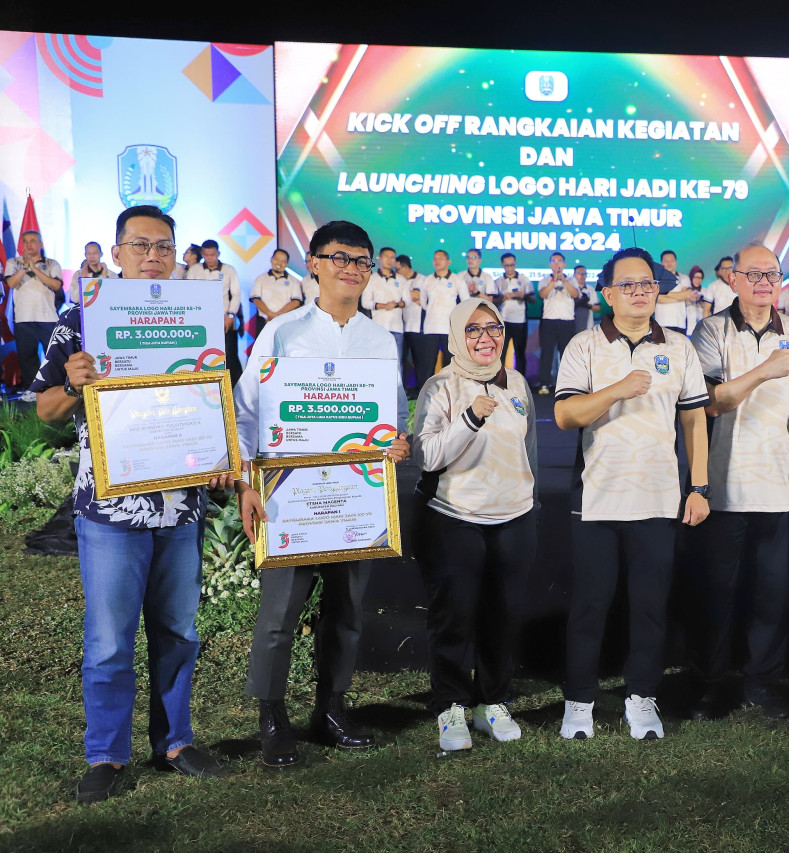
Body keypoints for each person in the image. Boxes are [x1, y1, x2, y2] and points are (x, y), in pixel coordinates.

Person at [33, 205, 228, 803]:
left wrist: (223, 460)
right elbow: (43, 411)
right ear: (115, 253)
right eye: (140, 245)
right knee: (111, 640)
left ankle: (174, 741)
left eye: (164, 247)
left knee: (178, 630)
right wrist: (73, 383)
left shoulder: (196, 315)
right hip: (112, 510)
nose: (152, 256)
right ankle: (107, 755)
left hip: (180, 505)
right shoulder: (82, 317)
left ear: (177, 254)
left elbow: (215, 398)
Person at [234, 220, 411, 768]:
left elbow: (395, 413)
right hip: (292, 495)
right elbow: (245, 411)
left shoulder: (379, 339)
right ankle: (272, 716)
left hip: (357, 497)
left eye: (361, 261)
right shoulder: (283, 333)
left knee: (348, 610)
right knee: (280, 612)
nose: (352, 269)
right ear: (313, 264)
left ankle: (331, 709)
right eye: (340, 258)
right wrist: (245, 482)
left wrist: (397, 443)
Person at [554, 247, 711, 741]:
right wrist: (617, 389)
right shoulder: (584, 345)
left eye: (647, 283)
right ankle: (579, 702)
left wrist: (699, 486)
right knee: (589, 605)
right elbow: (565, 416)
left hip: (660, 498)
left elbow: (693, 418)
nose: (640, 292)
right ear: (607, 294)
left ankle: (642, 697)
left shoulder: (681, 347)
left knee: (649, 605)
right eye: (628, 284)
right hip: (597, 497)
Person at [688, 241, 789, 720]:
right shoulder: (711, 330)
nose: (764, 283)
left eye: (773, 274)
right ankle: (711, 684)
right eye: (754, 274)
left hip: (778, 483)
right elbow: (707, 403)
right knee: (719, 593)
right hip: (723, 486)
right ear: (733, 278)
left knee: (771, 593)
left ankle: (761, 684)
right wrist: (764, 371)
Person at [412, 297, 538, 751]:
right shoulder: (440, 386)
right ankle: (450, 707)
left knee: (503, 615)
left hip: (515, 517)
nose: (486, 338)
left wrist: (530, 499)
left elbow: (529, 451)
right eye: (474, 330)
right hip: (456, 517)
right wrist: (470, 418)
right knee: (455, 615)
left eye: (494, 329)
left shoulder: (517, 383)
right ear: (457, 334)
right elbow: (426, 455)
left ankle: (492, 702)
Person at [5, 229, 64, 397]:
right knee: (27, 357)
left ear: (41, 244)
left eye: (32, 240)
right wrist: (25, 266)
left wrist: (35, 268)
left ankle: (56, 389)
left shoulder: (52, 264)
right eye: (25, 241)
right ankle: (32, 391)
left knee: (53, 356)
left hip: (48, 318)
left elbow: (56, 285)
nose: (29, 244)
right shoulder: (13, 262)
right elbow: (11, 283)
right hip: (24, 319)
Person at [186, 239, 242, 385]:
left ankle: (232, 391)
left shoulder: (229, 270)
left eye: (213, 254)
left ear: (218, 253)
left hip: (224, 320)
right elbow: (188, 294)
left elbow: (236, 294)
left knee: (229, 357)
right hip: (201, 320)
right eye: (207, 255)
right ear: (202, 254)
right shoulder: (195, 270)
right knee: (201, 357)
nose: (210, 258)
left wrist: (230, 315)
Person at [409, 249, 465, 382]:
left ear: (448, 262)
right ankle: (424, 394)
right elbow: (423, 302)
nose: (437, 261)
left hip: (450, 329)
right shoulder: (427, 280)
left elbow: (465, 302)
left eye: (441, 258)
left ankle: (449, 394)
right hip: (431, 328)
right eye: (435, 258)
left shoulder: (457, 280)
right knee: (427, 364)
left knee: (450, 364)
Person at [536, 251, 579, 393]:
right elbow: (543, 294)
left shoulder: (571, 280)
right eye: (554, 261)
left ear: (564, 264)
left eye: (559, 261)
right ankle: (545, 384)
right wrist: (554, 280)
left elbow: (575, 294)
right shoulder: (545, 280)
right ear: (550, 265)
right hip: (549, 321)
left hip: (567, 322)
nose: (557, 264)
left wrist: (564, 280)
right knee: (547, 353)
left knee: (566, 354)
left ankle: (566, 384)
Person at [248, 248, 303, 340]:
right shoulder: (261, 279)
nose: (279, 263)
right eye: (277, 259)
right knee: (263, 351)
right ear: (271, 259)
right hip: (264, 321)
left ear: (287, 264)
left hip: (284, 322)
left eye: (282, 261)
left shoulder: (292, 281)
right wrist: (269, 314)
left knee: (283, 351)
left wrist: (277, 316)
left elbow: (296, 301)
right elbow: (256, 299)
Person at [396, 253, 431, 394]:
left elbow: (418, 296)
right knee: (401, 360)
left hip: (418, 327)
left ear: (405, 267)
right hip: (401, 326)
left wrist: (403, 296)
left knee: (420, 361)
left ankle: (422, 391)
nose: (396, 272)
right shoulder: (398, 280)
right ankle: (403, 390)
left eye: (397, 269)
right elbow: (412, 296)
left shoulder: (422, 279)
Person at [494, 252, 532, 377]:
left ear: (515, 264)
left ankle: (521, 380)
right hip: (503, 321)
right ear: (502, 265)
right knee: (501, 352)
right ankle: (498, 379)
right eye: (507, 265)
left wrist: (523, 296)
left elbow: (533, 298)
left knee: (520, 353)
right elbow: (493, 301)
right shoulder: (498, 281)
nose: (510, 268)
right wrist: (503, 297)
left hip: (520, 321)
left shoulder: (524, 279)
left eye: (512, 265)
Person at [653, 249, 695, 334]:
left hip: (679, 322)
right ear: (661, 263)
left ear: (676, 262)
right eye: (666, 261)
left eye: (671, 260)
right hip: (661, 322)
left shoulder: (684, 278)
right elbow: (658, 298)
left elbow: (687, 294)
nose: (669, 263)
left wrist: (664, 294)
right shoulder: (656, 279)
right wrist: (680, 297)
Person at [685, 265, 708, 333]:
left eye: (700, 278)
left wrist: (702, 303)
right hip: (688, 327)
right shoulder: (686, 291)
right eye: (696, 277)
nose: (698, 280)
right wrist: (689, 299)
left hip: (701, 328)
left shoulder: (705, 291)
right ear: (691, 277)